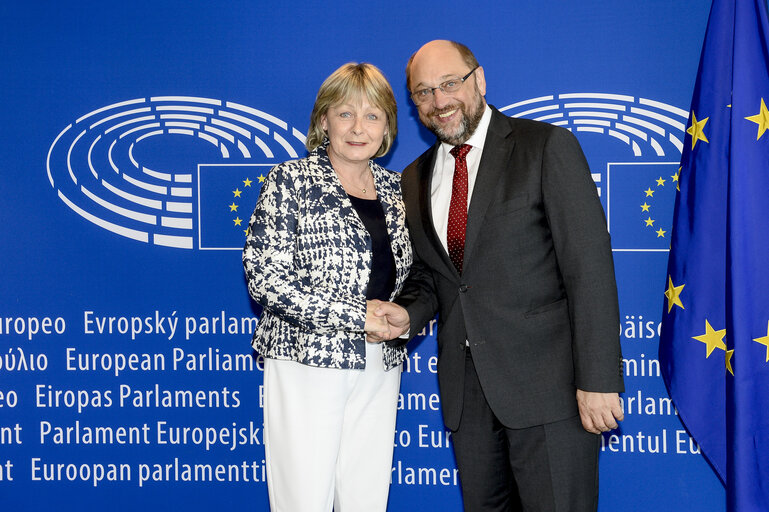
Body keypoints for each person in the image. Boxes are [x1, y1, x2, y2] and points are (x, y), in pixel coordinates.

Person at [373, 40, 625, 511]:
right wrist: (406, 316)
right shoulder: (413, 177)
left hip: (552, 396)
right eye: (423, 92)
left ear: (479, 80)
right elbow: (434, 277)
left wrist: (598, 379)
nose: (439, 101)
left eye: (450, 84)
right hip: (469, 402)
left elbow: (588, 269)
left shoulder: (545, 147)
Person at [243, 62, 412, 512]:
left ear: (387, 127)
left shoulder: (399, 191)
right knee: (304, 499)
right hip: (307, 360)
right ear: (324, 121)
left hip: (381, 361)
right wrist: (355, 317)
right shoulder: (290, 181)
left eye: (373, 115)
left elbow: (414, 274)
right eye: (346, 114)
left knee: (366, 497)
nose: (359, 128)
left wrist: (401, 317)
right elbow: (266, 277)